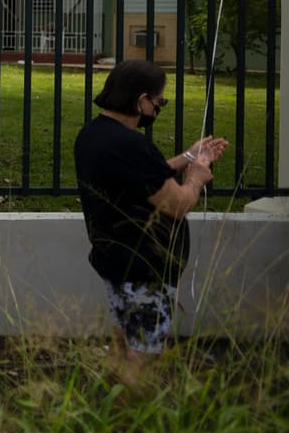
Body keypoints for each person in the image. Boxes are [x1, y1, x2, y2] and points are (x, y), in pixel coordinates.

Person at [75, 60, 227, 387]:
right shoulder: (132, 144)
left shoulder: (93, 135)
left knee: (121, 342)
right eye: (160, 102)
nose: (158, 108)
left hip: (114, 259)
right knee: (142, 354)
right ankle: (132, 412)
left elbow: (142, 177)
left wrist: (189, 157)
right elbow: (176, 204)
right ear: (141, 100)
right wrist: (196, 177)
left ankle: (107, 405)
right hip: (145, 267)